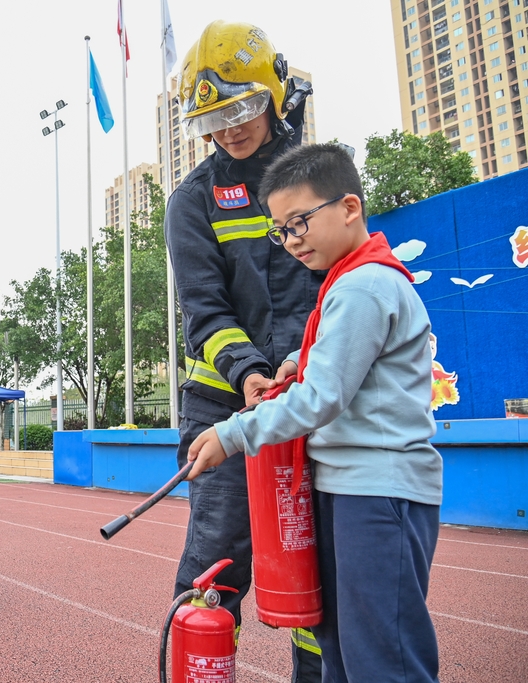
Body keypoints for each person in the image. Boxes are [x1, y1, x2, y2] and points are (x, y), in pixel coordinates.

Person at [186, 143, 442, 683]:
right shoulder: (346, 283)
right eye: (281, 230)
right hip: (349, 489)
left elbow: (323, 396)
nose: (290, 241)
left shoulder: (365, 286)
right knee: (342, 649)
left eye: (299, 222)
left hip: (378, 491)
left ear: (349, 207)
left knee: (381, 653)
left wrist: (232, 433)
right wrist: (289, 364)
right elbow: (322, 366)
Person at [164, 20, 322, 679]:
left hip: (311, 399)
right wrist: (252, 369)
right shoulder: (193, 200)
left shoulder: (318, 182)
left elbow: (330, 285)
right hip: (222, 405)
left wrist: (299, 361)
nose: (229, 127)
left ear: (274, 94)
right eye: (213, 115)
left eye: (241, 107)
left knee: (320, 566)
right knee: (218, 559)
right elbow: (205, 308)